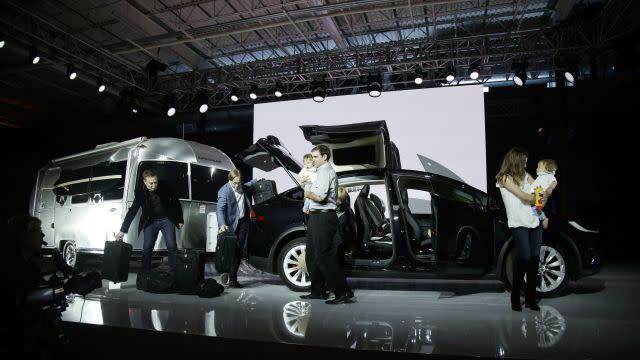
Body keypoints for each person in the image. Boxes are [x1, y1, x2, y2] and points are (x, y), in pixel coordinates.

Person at [300, 145, 354, 305]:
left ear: (324, 157)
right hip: (316, 217)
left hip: (323, 218)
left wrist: (307, 193)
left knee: (324, 257)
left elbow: (320, 196)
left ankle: (343, 292)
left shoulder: (325, 171)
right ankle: (318, 291)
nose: (313, 159)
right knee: (311, 255)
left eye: (315, 156)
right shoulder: (318, 172)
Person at [496, 147, 542, 312]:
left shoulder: (528, 176)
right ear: (516, 160)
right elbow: (524, 196)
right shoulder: (504, 178)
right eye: (524, 160)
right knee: (524, 258)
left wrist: (542, 214)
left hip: (534, 222)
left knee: (534, 260)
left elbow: (539, 197)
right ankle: (515, 295)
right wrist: (536, 197)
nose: (526, 163)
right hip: (518, 223)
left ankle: (531, 299)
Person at [116, 169, 184, 271]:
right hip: (150, 222)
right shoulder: (140, 191)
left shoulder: (165, 186)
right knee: (147, 248)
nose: (154, 185)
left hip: (166, 220)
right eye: (151, 183)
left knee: (172, 246)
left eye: (155, 182)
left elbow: (176, 201)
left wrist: (180, 219)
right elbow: (132, 211)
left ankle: (174, 272)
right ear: (144, 181)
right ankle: (145, 273)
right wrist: (123, 230)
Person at [216, 168, 258, 288]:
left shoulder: (242, 186)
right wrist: (222, 224)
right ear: (230, 180)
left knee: (239, 250)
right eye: (235, 182)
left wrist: (256, 180)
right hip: (229, 224)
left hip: (243, 222)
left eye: (238, 182)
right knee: (228, 251)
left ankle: (233, 278)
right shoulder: (224, 191)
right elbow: (220, 209)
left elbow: (247, 184)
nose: (237, 184)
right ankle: (225, 272)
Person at [531, 159, 558, 229]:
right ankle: (541, 218)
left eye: (539, 167)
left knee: (536, 208)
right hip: (535, 192)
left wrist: (550, 188)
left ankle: (543, 218)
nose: (537, 169)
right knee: (533, 208)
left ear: (548, 168)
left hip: (539, 193)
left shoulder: (550, 176)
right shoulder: (541, 176)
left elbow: (554, 183)